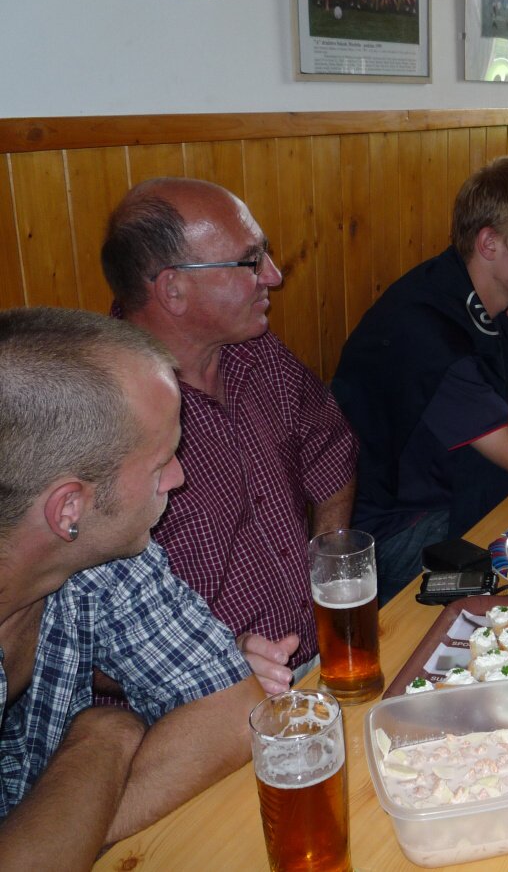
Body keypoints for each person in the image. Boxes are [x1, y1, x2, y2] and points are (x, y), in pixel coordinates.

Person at [0, 308, 264, 867]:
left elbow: (233, 712)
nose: (180, 478)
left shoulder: (99, 556)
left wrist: (71, 824)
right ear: (68, 508)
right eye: (161, 463)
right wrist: (104, 737)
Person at [101, 178, 359, 686]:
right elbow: (65, 645)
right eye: (250, 261)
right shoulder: (99, 413)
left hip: (315, 660)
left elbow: (331, 449)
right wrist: (214, 660)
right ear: (173, 289)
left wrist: (328, 575)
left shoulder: (256, 350)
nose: (274, 276)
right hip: (192, 699)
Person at [333, 157, 508, 602]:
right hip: (401, 535)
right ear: (489, 243)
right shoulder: (424, 328)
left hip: (470, 494)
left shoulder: (503, 295)